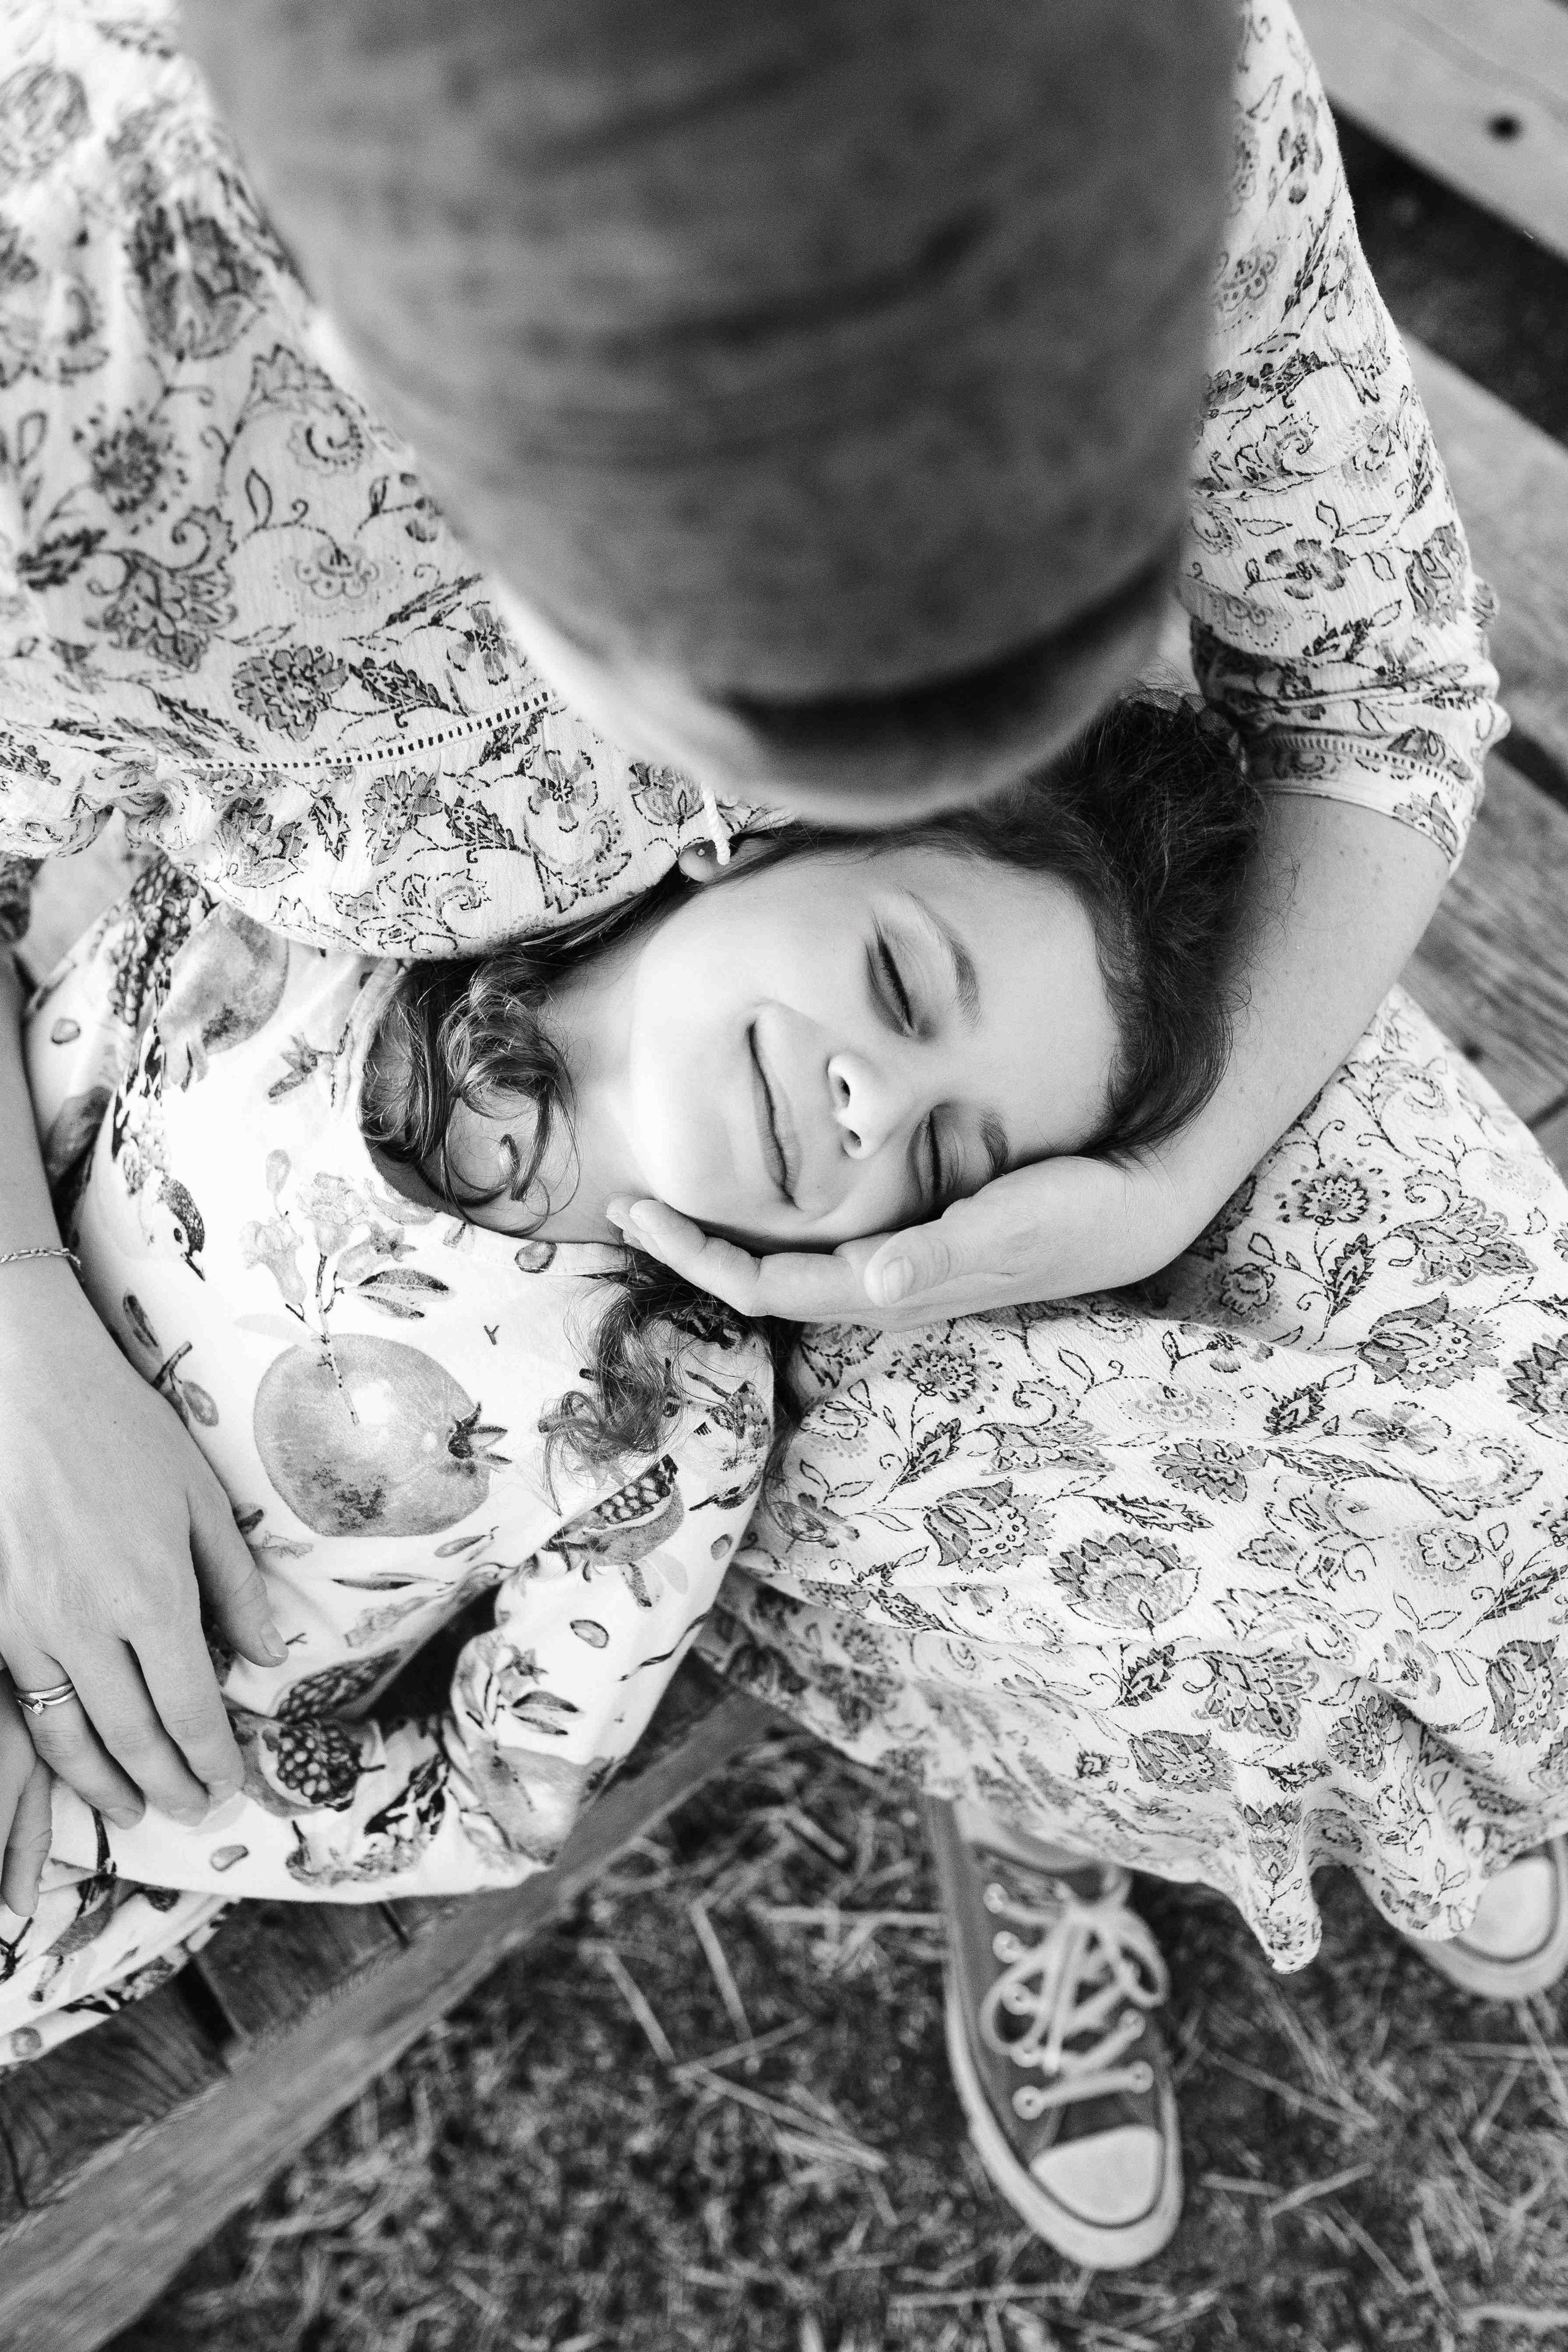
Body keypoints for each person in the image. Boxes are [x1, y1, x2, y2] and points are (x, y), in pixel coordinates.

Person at [0, 0, 1542, 2272]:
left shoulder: (1134, 75)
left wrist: (1159, 1175)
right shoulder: (69, 317)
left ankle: (1084, 1742)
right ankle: (1055, 1730)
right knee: (1193, 1621)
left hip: (1038, 934)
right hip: (368, 1082)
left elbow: (1372, 693)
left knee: (1478, 1481)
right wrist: (24, 1331)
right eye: (791, 704)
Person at [0, 698, 1258, 2061]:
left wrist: (105, 1786)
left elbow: (500, 1798)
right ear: (755, 834)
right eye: (899, 984)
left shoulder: (675, 1417)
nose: (878, 1106)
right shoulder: (321, 926)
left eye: (945, 1161)